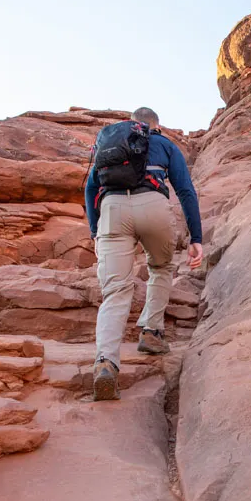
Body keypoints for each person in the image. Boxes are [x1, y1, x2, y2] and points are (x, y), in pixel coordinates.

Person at [84, 107, 203, 401]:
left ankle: (106, 364)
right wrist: (195, 237)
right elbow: (185, 190)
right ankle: (151, 331)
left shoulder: (109, 144)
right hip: (153, 206)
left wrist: (95, 232)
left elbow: (90, 189)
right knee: (160, 267)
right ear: (155, 126)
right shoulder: (163, 144)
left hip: (112, 209)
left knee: (115, 292)